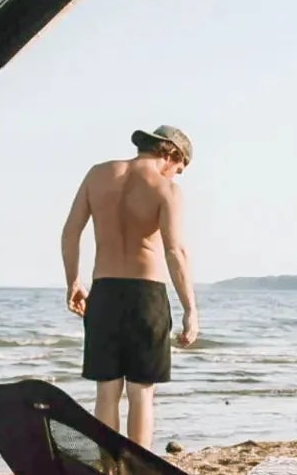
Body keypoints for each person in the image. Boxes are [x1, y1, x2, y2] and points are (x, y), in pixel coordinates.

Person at [61, 124, 199, 447]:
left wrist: (73, 283)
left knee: (106, 391)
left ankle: (108, 473)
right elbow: (175, 251)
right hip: (146, 298)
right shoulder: (166, 191)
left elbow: (70, 232)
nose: (175, 176)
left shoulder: (97, 175)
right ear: (171, 153)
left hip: (103, 293)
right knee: (141, 393)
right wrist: (190, 309)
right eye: (178, 169)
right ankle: (138, 473)